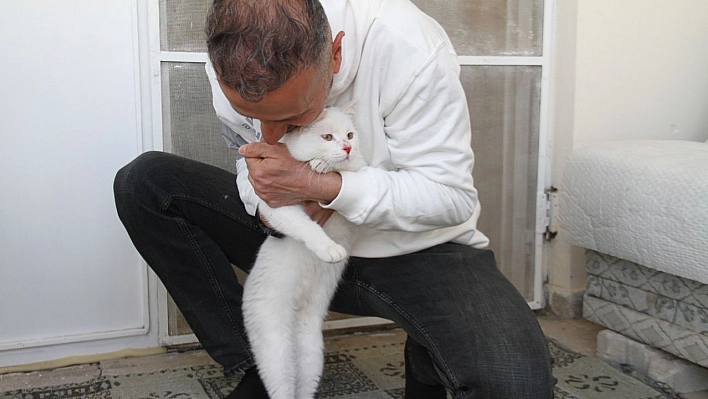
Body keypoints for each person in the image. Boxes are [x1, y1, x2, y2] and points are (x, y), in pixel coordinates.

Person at [113, 0, 556, 397]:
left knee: (516, 385)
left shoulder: (409, 45)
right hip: (296, 242)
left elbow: (450, 197)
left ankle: (429, 351)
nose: (270, 136)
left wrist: (326, 189)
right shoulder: (231, 63)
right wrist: (272, 205)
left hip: (417, 250)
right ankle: (263, 366)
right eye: (255, 118)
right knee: (146, 182)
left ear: (336, 55)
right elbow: (248, 163)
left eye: (291, 118)